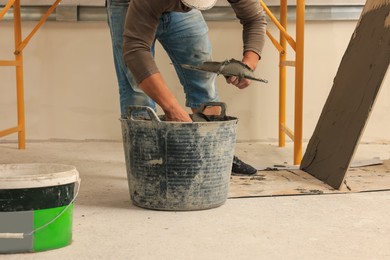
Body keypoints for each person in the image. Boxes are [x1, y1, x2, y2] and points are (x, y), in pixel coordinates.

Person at [106, 0, 267, 175]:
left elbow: (255, 18)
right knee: (137, 91)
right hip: (127, 4)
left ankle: (214, 154)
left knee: (203, 75)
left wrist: (248, 65)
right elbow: (136, 51)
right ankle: (146, 166)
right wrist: (172, 108)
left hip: (177, 9)